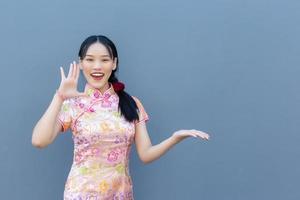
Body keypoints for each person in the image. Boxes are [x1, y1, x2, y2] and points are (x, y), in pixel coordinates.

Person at [31, 35, 210, 200]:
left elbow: (146, 154)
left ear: (114, 63)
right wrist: (59, 97)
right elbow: (39, 141)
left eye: (104, 60)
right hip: (81, 194)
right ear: (81, 63)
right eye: (90, 59)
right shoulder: (73, 104)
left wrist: (175, 138)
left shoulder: (131, 103)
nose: (97, 66)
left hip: (120, 194)